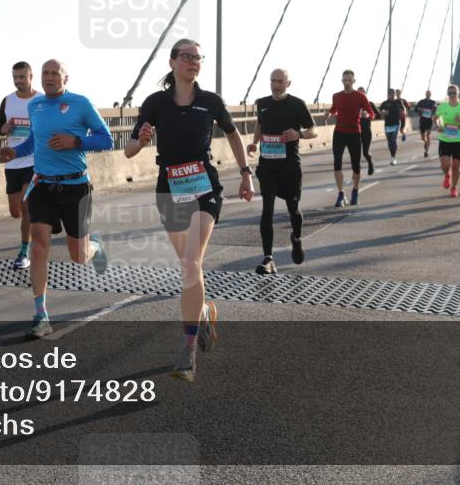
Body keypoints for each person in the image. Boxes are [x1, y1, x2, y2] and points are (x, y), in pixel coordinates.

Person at [126, 39, 253, 382]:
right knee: (189, 269)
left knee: (191, 262)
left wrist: (245, 173)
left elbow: (234, 134)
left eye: (198, 58)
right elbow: (128, 150)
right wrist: (141, 140)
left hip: (204, 189)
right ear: (172, 62)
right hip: (169, 190)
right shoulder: (155, 103)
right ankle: (206, 310)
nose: (193, 62)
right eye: (187, 57)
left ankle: (187, 352)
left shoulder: (210, 101)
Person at [0, 59, 112, 340]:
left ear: (65, 78)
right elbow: (34, 141)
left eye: (55, 74)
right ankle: (41, 315)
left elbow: (106, 139)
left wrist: (77, 141)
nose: (49, 78)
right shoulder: (34, 106)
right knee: (39, 244)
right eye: (46, 73)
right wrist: (15, 152)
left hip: (75, 186)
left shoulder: (81, 103)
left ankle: (93, 247)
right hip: (43, 184)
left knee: (78, 256)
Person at [247, 68, 318, 275]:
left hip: (289, 168)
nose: (275, 85)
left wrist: (299, 134)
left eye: (279, 81)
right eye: (272, 81)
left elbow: (312, 130)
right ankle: (268, 258)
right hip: (267, 166)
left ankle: (296, 238)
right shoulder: (262, 103)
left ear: (288, 83)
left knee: (293, 210)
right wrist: (254, 143)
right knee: (266, 210)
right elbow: (259, 124)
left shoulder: (297, 104)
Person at [0, 62, 39, 270]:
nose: (19, 81)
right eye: (15, 77)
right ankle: (32, 222)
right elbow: (0, 129)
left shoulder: (41, 100)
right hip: (13, 162)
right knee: (15, 210)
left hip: (34, 161)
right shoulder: (8, 101)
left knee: (26, 204)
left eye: (22, 77)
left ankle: (24, 251)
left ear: (31, 76)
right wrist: (6, 127)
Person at [327, 70, 374, 207]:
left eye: (349, 80)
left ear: (354, 81)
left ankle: (355, 191)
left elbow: (371, 113)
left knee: (356, 167)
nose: (347, 83)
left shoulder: (360, 96)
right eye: (345, 80)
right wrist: (329, 114)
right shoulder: (336, 96)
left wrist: (366, 114)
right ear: (342, 81)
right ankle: (341, 194)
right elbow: (334, 108)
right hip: (339, 133)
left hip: (354, 133)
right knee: (337, 164)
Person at [434, 85, 460, 198]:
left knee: (456, 166)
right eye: (450, 93)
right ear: (448, 94)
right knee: (445, 165)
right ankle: (447, 175)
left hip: (459, 140)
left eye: (454, 93)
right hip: (445, 139)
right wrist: (438, 126)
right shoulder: (442, 107)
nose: (452, 95)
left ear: (458, 94)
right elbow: (435, 118)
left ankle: (454, 187)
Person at [357, 87, 380, 176]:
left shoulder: (370, 104)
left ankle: (370, 162)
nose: (361, 95)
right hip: (355, 132)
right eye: (359, 93)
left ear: (365, 94)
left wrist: (369, 115)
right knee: (356, 153)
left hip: (366, 131)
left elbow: (378, 115)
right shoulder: (354, 104)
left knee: (365, 153)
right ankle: (357, 172)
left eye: (362, 93)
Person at [379, 89, 404, 166]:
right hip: (387, 125)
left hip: (396, 124)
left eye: (393, 94)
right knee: (390, 142)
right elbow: (380, 112)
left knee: (393, 140)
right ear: (388, 95)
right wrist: (384, 112)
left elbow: (403, 111)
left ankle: (393, 158)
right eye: (390, 94)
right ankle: (393, 152)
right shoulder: (384, 103)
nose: (392, 95)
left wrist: (402, 122)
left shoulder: (398, 102)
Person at [413, 90, 438, 157]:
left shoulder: (433, 102)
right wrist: (420, 109)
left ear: (430, 94)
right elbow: (415, 109)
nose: (428, 95)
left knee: (428, 135)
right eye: (427, 93)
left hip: (429, 120)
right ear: (425, 94)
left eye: (429, 94)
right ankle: (425, 142)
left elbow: (436, 110)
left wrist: (433, 111)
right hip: (422, 120)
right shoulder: (421, 102)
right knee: (423, 137)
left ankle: (426, 151)